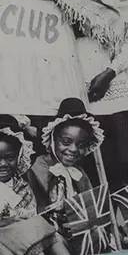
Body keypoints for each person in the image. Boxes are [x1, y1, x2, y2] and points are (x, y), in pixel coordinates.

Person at [0, 0, 128, 193]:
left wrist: (110, 72)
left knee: (120, 164)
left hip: (115, 86)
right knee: (89, 157)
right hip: (85, 86)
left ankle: (120, 228)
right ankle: (95, 222)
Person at [27, 99, 106, 242]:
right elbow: (34, 209)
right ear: (53, 140)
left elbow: (90, 208)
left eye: (81, 144)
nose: (74, 149)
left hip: (77, 235)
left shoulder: (80, 174)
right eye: (66, 142)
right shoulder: (38, 168)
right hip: (46, 236)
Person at [0, 117, 71, 255]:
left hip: (23, 236)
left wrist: (19, 218)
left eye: (9, 158)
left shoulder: (22, 187)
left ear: (19, 156)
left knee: (44, 229)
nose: (3, 164)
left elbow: (30, 214)